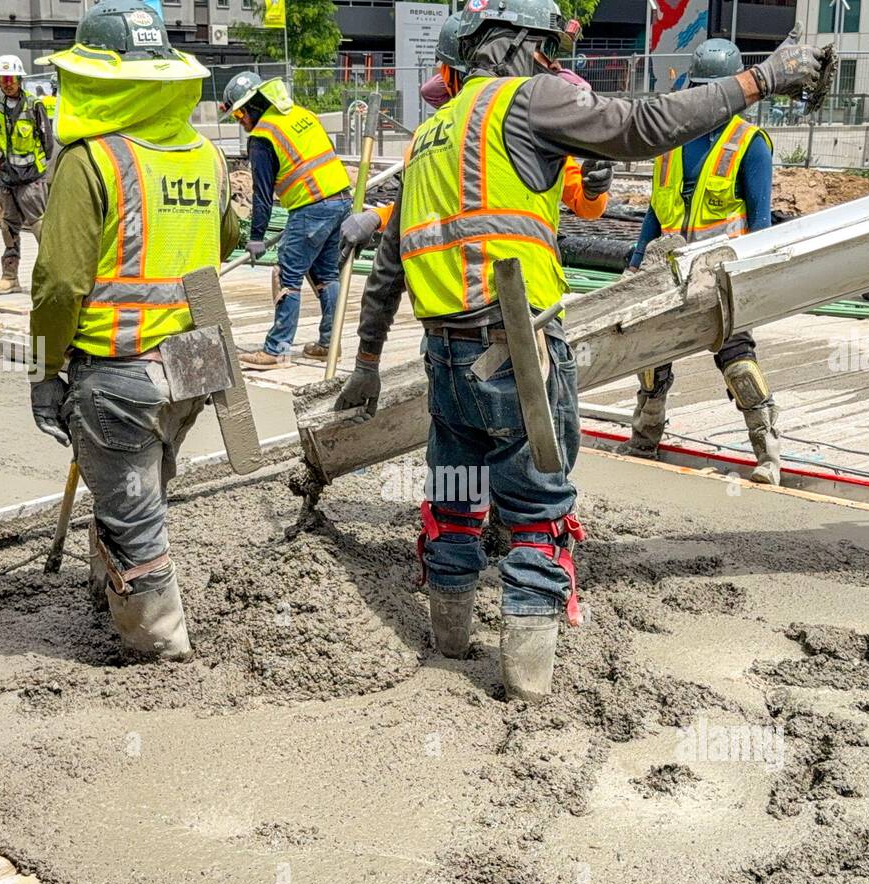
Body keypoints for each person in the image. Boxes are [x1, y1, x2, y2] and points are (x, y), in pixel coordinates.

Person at [334, 0, 829, 700]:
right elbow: (644, 125)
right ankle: (527, 680)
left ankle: (448, 644)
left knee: (452, 495)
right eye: (546, 47)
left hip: (443, 354)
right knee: (537, 510)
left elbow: (387, 270)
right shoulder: (532, 97)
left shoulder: (431, 135)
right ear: (514, 46)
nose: (555, 61)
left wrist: (363, 368)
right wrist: (759, 81)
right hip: (516, 348)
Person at [27, 0, 241, 660]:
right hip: (195, 360)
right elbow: (226, 238)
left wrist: (44, 369)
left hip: (122, 372)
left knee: (134, 513)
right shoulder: (204, 157)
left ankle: (161, 655)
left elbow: (60, 285)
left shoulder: (91, 162)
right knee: (141, 485)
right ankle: (107, 587)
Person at [623, 38, 782, 485]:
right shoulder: (672, 143)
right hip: (670, 273)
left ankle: (767, 453)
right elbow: (656, 210)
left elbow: (760, 220)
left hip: (722, 276)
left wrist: (758, 277)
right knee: (652, 359)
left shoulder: (749, 145)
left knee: (738, 363)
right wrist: (637, 263)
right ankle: (644, 438)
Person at [337, 12, 612, 261]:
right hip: (473, 288)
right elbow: (416, 210)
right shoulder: (437, 136)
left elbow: (587, 206)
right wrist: (377, 216)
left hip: (506, 288)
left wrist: (592, 190)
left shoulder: (531, 129)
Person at [219, 72, 352, 370]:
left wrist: (255, 237)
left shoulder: (263, 137)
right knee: (326, 275)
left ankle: (276, 349)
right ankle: (329, 343)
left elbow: (262, 195)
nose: (239, 120)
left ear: (255, 105)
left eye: (240, 112)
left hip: (312, 205)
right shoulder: (300, 115)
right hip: (341, 200)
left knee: (286, 274)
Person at [0, 55, 54, 294]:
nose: (8, 83)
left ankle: (51, 276)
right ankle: (10, 277)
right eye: (3, 79)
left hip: (30, 179)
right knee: (8, 228)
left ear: (20, 79)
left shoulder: (33, 105)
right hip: (8, 178)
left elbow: (47, 142)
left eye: (12, 78)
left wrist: (36, 170)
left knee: (40, 227)